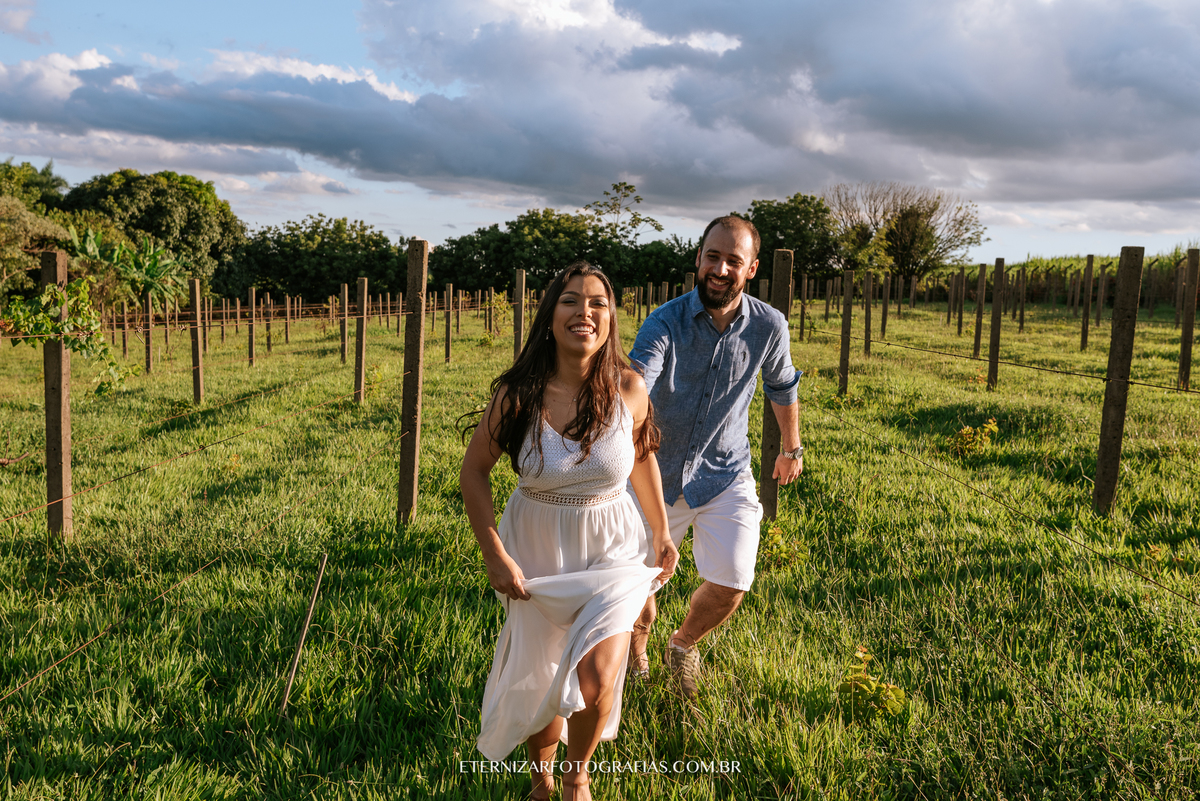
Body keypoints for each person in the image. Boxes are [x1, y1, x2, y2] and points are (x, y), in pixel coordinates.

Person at [460, 261, 679, 801]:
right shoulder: (518, 395)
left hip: (612, 545)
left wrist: (662, 532)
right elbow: (474, 472)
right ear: (550, 315)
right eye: (571, 301)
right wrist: (494, 554)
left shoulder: (629, 386)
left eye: (598, 303)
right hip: (537, 541)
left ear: (611, 318)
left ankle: (579, 772)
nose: (585, 312)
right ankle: (542, 779)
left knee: (597, 677)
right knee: (544, 672)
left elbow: (642, 458)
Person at [627, 215, 803, 699]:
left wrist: (791, 449)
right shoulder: (665, 320)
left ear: (751, 270)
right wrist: (622, 406)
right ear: (698, 259)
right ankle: (636, 655)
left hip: (725, 474)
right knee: (635, 595)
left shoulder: (769, 325)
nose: (720, 268)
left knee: (733, 581)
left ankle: (682, 646)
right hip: (654, 478)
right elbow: (640, 377)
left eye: (733, 260)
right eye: (712, 256)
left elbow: (782, 385)